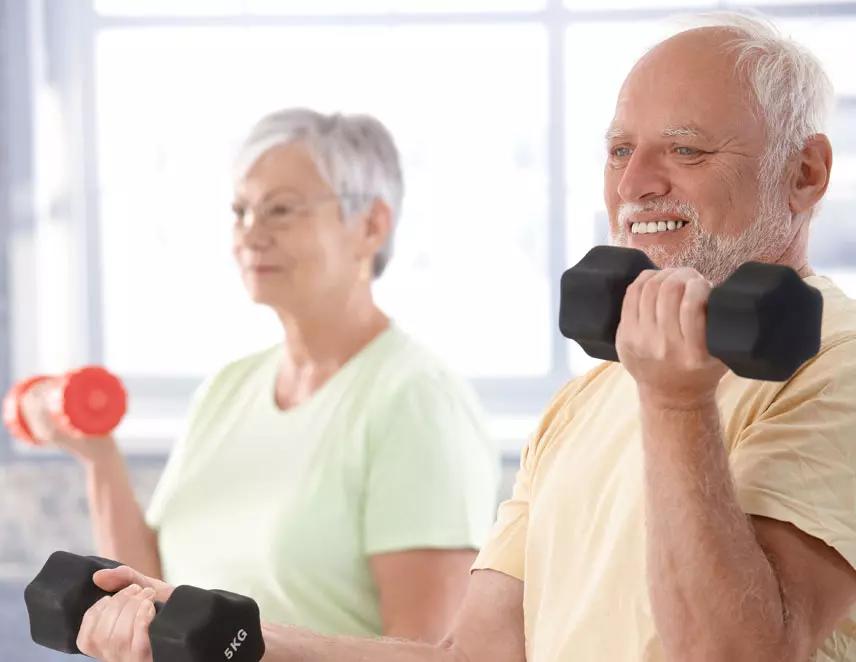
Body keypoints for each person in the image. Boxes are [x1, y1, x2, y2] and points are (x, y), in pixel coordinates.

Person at [73, 13, 856, 662]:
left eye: (684, 150)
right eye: (620, 151)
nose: (634, 185)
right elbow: (471, 658)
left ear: (806, 174)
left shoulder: (836, 366)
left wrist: (676, 403)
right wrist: (221, 631)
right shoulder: (588, 398)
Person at [22, 108, 500, 643]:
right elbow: (151, 594)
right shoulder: (229, 387)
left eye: (281, 210)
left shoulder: (416, 399)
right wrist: (99, 455)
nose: (251, 232)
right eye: (240, 211)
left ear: (370, 225)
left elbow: (423, 650)